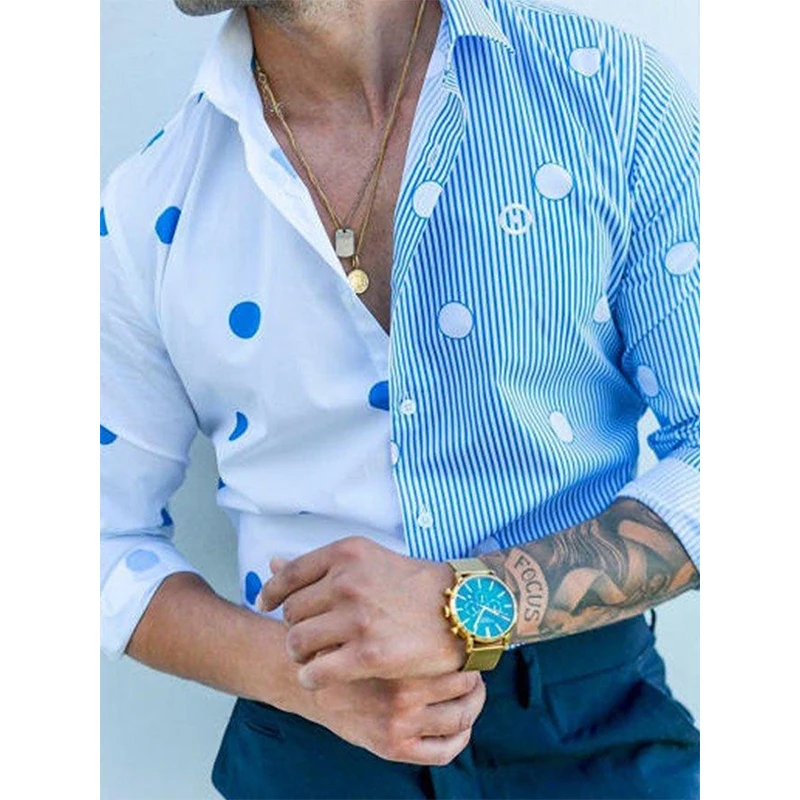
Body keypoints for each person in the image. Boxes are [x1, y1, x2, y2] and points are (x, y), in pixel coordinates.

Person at [100, 0, 700, 797]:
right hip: (311, 726)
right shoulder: (148, 205)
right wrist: (291, 673)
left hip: (591, 725)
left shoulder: (608, 95)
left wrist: (472, 601)